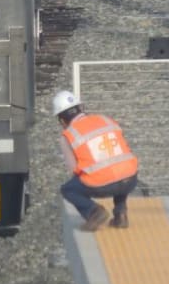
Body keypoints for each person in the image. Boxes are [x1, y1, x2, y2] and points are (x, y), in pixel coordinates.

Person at [52, 90, 139, 231]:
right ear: (81, 108)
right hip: (131, 179)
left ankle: (93, 211)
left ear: (62, 120)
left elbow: (74, 170)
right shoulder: (105, 119)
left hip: (102, 184)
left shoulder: (68, 135)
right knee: (121, 169)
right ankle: (121, 214)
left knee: (68, 189)